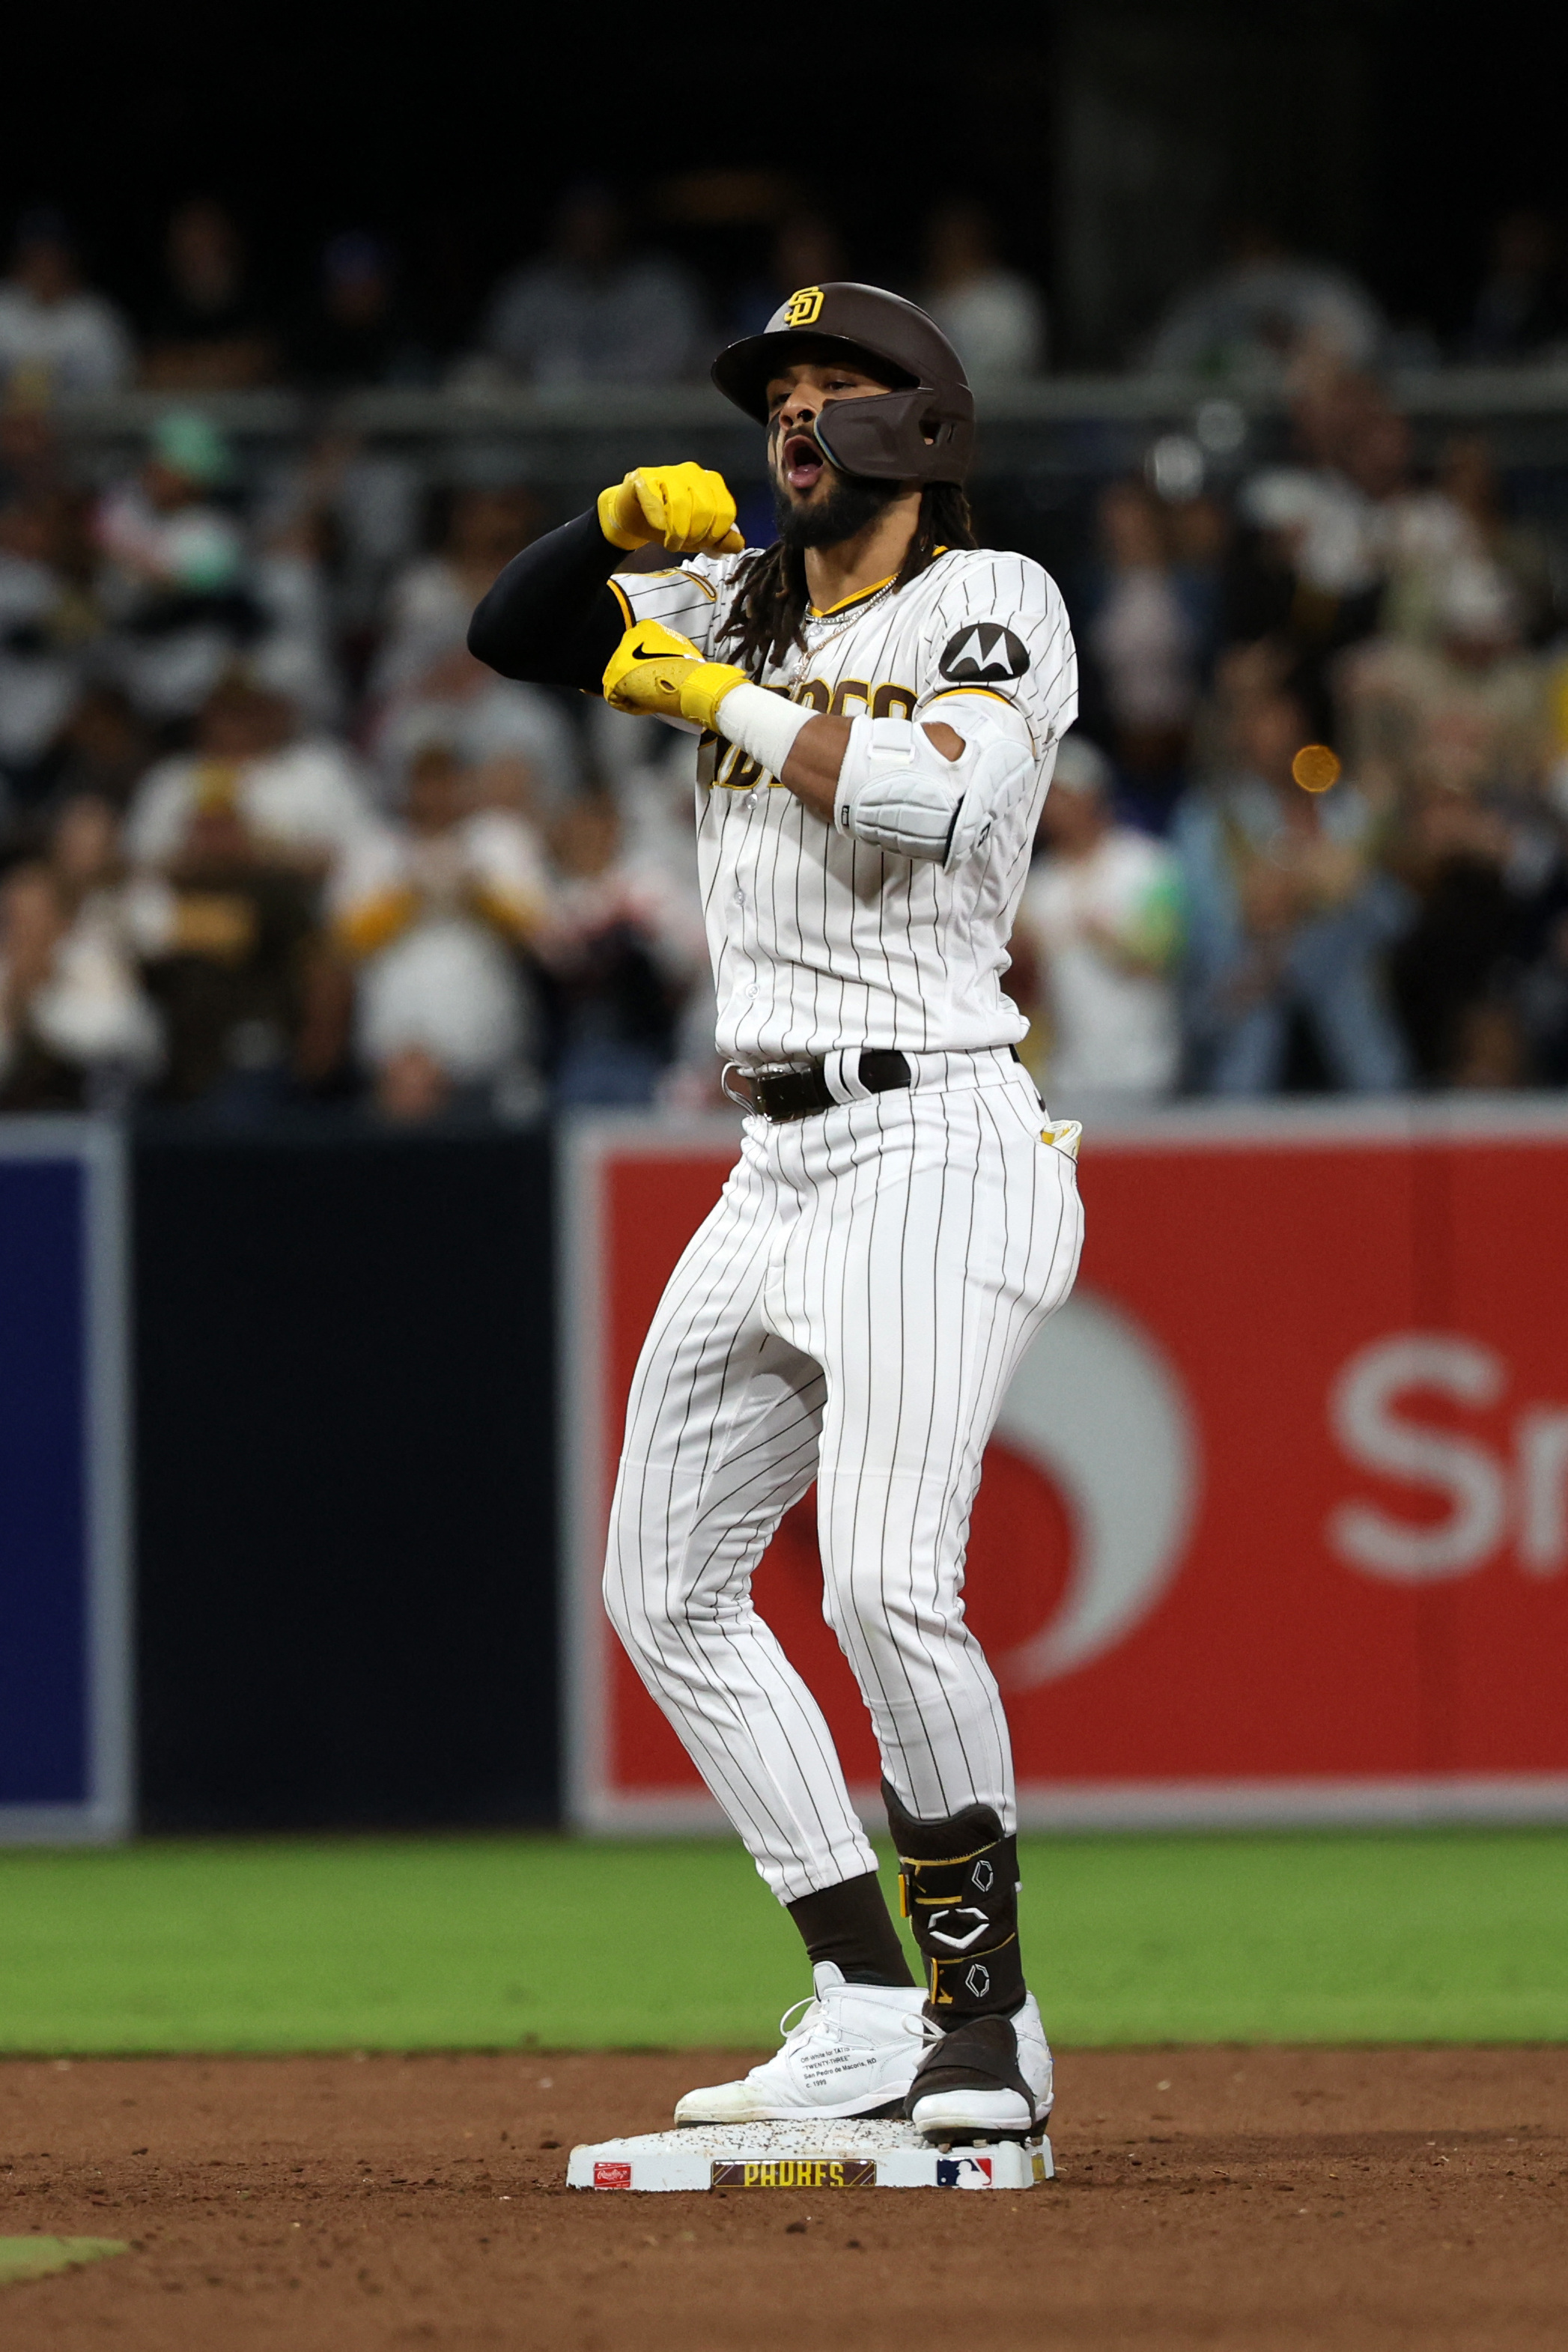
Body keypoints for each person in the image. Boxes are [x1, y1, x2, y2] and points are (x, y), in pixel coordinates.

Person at [471, 283, 1081, 2144]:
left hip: (936, 1132)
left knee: (888, 1580)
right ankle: (862, 1993)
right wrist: (609, 534)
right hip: (776, 1153)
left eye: (830, 391)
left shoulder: (998, 602)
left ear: (921, 423)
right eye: (778, 396)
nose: (792, 421)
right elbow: (514, 635)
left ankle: (990, 2020)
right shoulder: (738, 595)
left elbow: (915, 797)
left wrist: (715, 690)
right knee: (659, 1579)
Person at [1174, 675, 1410, 1094]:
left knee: (1340, 964)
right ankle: (1236, 1128)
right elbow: (1209, 931)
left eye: (1277, 718)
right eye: (1249, 721)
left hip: (1337, 978)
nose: (1264, 732)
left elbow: (1394, 915)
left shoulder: (1348, 807)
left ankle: (1383, 1113)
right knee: (1265, 1000)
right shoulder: (1208, 821)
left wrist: (1317, 890)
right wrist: (1293, 896)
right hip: (1237, 994)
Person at [332, 741, 546, 1119]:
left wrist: (476, 893)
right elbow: (345, 941)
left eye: (447, 782)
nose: (436, 795)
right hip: (393, 1034)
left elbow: (538, 930)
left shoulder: (499, 838)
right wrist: (408, 895)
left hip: (482, 1036)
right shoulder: (375, 845)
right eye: (426, 783)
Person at [1012, 734, 1182, 1104]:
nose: (1055, 806)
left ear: (1093, 796)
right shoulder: (1037, 885)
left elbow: (1163, 958)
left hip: (1146, 1067)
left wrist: (1102, 936)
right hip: (1068, 1075)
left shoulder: (1148, 866)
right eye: (1050, 795)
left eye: (1065, 794)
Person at [475, 184, 704, 386]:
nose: (592, 235)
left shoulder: (662, 286)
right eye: (580, 223)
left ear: (620, 225)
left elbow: (686, 364)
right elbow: (499, 363)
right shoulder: (528, 291)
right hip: (553, 427)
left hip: (646, 428)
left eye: (600, 222)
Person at [141, 200, 276, 391]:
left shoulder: (261, 302)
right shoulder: (160, 309)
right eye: (188, 239)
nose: (196, 247)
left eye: (205, 234)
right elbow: (154, 370)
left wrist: (190, 366)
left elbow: (256, 364)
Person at [0, 209, 133, 401]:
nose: (45, 265)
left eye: (52, 255)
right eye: (36, 255)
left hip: (82, 428)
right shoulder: (4, 306)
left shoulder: (94, 316)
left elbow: (119, 387)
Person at [922, 198, 1045, 382]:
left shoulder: (1007, 299)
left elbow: (1013, 366)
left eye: (961, 237)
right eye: (946, 239)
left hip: (1002, 406)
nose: (952, 247)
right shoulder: (928, 303)